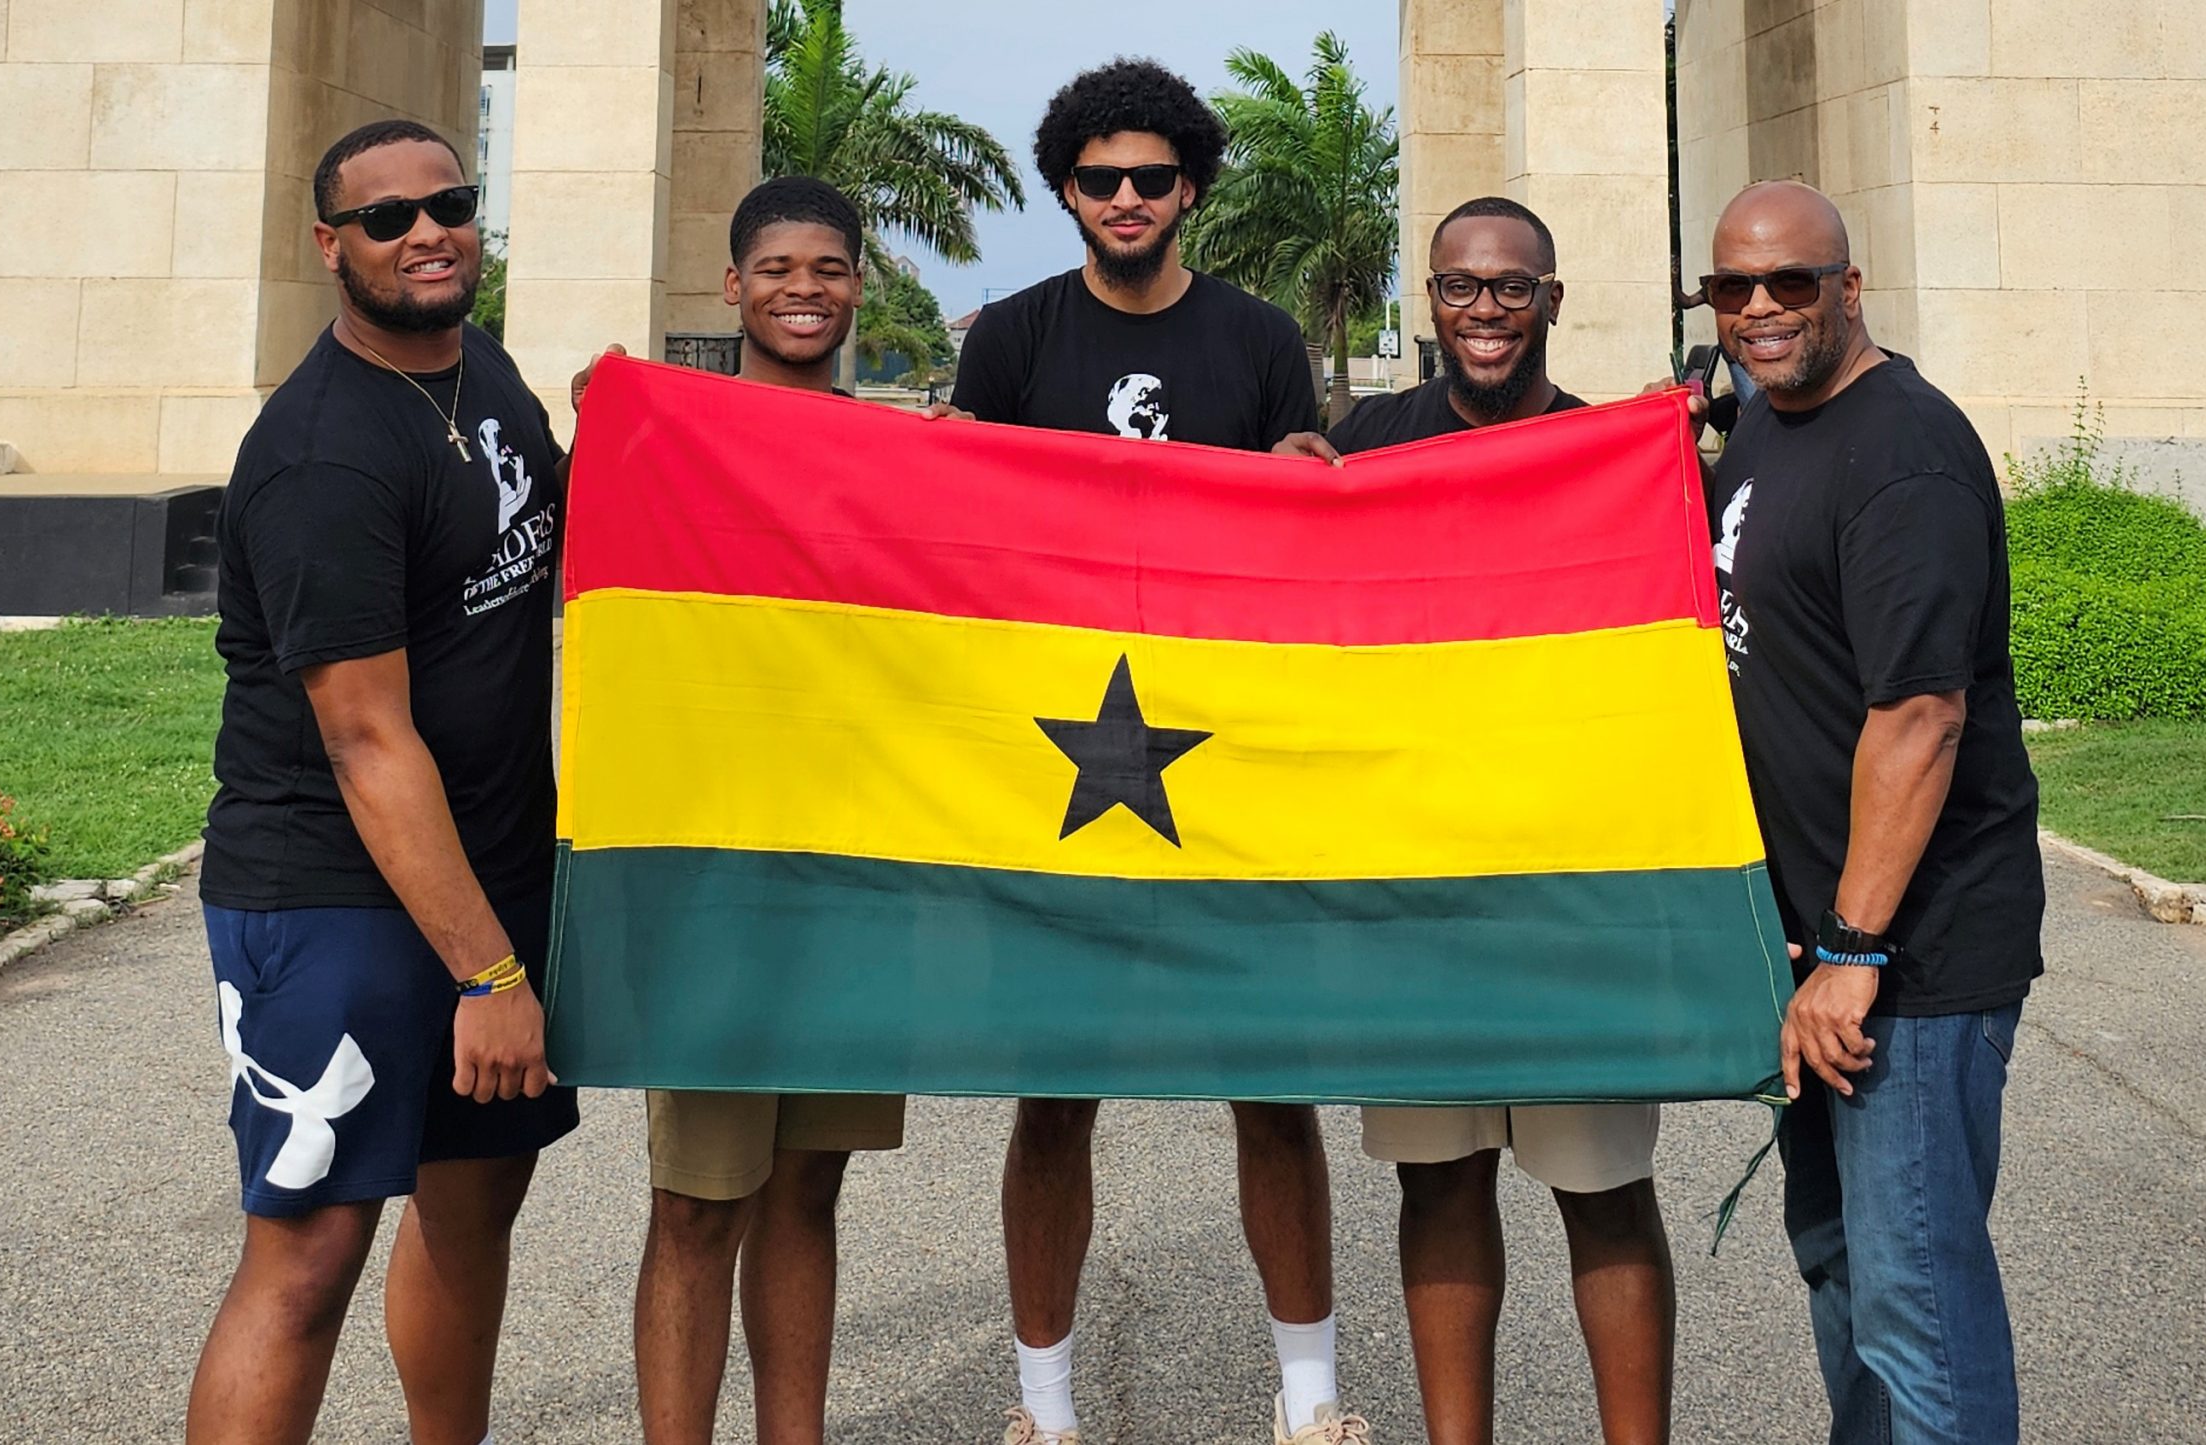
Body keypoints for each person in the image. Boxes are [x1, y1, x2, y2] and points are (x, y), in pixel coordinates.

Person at [945, 59, 1358, 1445]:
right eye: (1100, 178)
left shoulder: (1256, 342)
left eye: (1154, 178)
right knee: (1054, 1099)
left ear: (1193, 187)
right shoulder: (1007, 340)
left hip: (1228, 761)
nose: (1127, 200)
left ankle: (1311, 1402)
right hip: (1056, 768)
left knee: (1271, 1090)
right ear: (1065, 188)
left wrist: (1309, 488)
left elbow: (1303, 557)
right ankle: (1044, 1410)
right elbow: (965, 552)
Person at [189, 118, 579, 1445]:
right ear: (329, 248)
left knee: (473, 1215)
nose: (426, 233)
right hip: (336, 903)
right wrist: (488, 975)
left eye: (450, 203)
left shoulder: (486, 377)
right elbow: (364, 737)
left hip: (496, 878)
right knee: (305, 1258)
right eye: (387, 218)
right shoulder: (322, 457)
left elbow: (580, 543)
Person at [1276, 196, 1677, 1445]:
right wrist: (1289, 492)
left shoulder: (1611, 451)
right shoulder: (1370, 442)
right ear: (1428, 301)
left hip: (1570, 882)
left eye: (1512, 288)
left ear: (1552, 299)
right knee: (1438, 1183)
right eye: (1460, 287)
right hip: (1417, 884)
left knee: (1602, 1187)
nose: (1485, 311)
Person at [1702, 180, 2045, 1445]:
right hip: (1816, 957)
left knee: (1917, 1306)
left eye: (1789, 282)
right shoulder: (1769, 426)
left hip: (1909, 959)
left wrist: (1850, 952)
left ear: (1850, 286)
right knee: (1843, 1263)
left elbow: (1920, 718)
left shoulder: (1901, 453)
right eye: (1730, 287)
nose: (1758, 308)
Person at [569, 177, 909, 1445]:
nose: (804, 288)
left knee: (811, 1190)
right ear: (732, 286)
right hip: (711, 882)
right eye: (777, 267)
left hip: (852, 877)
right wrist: (603, 426)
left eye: (828, 266)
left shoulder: (901, 453)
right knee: (697, 1202)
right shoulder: (667, 439)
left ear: (858, 284)